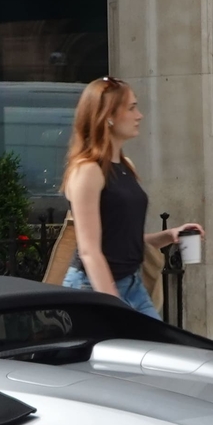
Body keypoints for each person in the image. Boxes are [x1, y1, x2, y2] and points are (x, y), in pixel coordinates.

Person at [60, 76, 199, 319]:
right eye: (132, 108)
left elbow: (119, 237)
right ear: (109, 116)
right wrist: (114, 306)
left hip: (131, 285)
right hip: (93, 287)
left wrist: (169, 235)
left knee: (156, 353)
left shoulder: (125, 166)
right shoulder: (88, 170)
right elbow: (89, 250)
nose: (140, 115)